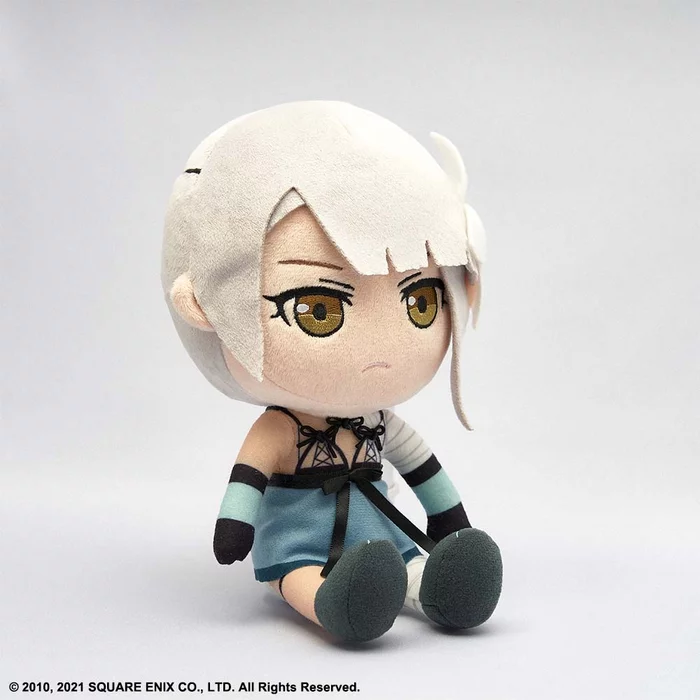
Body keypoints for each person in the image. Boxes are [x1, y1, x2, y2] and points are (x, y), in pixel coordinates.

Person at [162, 101, 501, 643]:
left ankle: (439, 590)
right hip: (297, 540)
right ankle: (331, 604)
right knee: (300, 573)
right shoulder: (281, 429)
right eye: (317, 309)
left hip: (382, 529)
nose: (382, 347)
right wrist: (235, 527)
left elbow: (421, 466)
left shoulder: (380, 421)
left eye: (420, 303)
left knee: (406, 558)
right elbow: (248, 477)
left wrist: (448, 519)